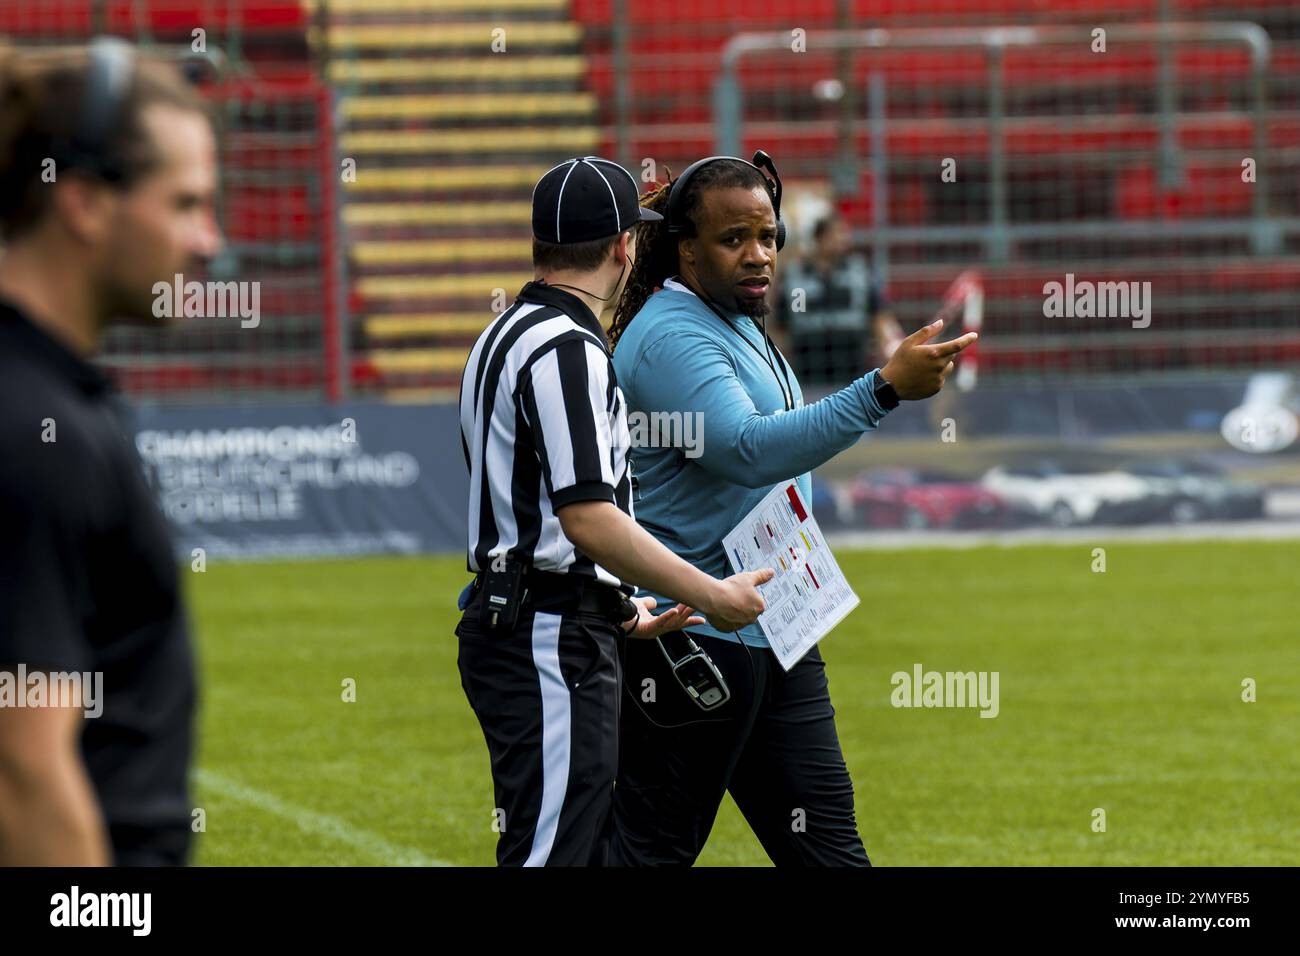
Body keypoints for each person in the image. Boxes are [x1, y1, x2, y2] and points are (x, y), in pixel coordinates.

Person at [605, 153, 976, 866]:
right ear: (686, 249)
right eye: (733, 239)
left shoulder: (733, 315)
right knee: (648, 854)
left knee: (829, 851)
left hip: (775, 627)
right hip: (695, 635)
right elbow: (747, 449)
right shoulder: (670, 335)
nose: (759, 256)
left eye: (768, 236)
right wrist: (883, 389)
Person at [455, 156, 773, 867]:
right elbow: (586, 517)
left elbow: (526, 502)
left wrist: (623, 609)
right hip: (547, 634)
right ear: (626, 245)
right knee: (555, 855)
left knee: (563, 844)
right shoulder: (570, 348)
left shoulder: (501, 335)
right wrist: (710, 593)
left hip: (529, 619)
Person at [0, 39, 220, 865]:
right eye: (186, 204)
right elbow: (20, 772)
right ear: (84, 204)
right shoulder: (31, 434)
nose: (209, 241)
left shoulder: (49, 403)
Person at [773, 213, 903, 388]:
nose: (844, 239)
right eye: (836, 233)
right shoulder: (796, 277)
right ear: (819, 238)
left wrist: (891, 347)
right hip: (808, 368)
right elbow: (787, 323)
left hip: (852, 366)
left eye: (845, 233)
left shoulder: (860, 272)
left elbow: (879, 315)